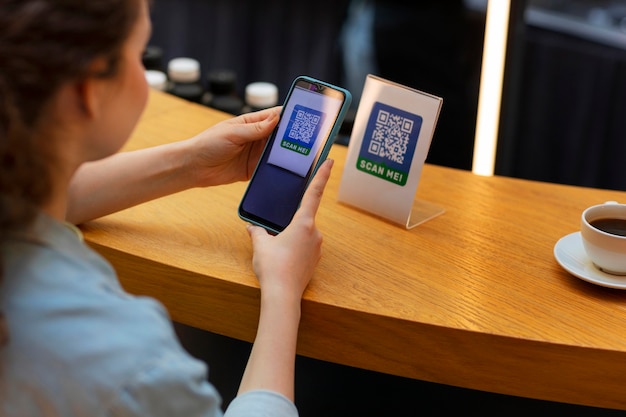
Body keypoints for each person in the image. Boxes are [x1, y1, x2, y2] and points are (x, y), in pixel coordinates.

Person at [0, 0, 333, 416]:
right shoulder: (130, 363)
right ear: (90, 91)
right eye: (139, 55)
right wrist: (283, 292)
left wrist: (190, 163)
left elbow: (35, 196)